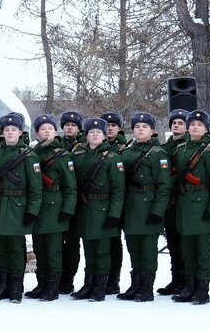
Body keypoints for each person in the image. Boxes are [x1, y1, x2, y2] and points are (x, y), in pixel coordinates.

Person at [0, 113, 42, 303]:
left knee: (16, 250)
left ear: (20, 132)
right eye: (7, 130)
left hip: (18, 208)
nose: (10, 133)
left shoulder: (29, 156)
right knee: (1, 249)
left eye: (13, 130)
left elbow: (36, 187)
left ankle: (16, 287)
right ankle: (2, 285)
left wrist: (32, 211)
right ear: (2, 132)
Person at [169, 110, 210, 305]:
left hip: (203, 208)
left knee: (203, 252)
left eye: (199, 125)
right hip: (185, 207)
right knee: (188, 251)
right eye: (192, 124)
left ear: (206, 128)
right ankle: (189, 287)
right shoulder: (181, 149)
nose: (195, 127)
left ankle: (202, 290)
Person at [115, 112, 171, 303]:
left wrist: (157, 211)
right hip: (130, 207)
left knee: (147, 250)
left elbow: (164, 187)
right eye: (137, 127)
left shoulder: (158, 154)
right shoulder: (126, 152)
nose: (140, 130)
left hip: (148, 207)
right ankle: (135, 285)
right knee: (133, 248)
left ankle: (146, 288)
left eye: (144, 127)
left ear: (153, 130)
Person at [68, 117, 125, 302]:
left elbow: (118, 191)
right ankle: (88, 284)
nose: (94, 135)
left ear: (103, 136)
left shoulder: (113, 158)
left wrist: (114, 215)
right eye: (91, 132)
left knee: (102, 251)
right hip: (84, 209)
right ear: (86, 135)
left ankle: (100, 286)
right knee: (88, 249)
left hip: (103, 210)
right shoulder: (78, 155)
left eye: (98, 132)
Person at [27, 114, 75, 301]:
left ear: (56, 132)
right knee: (39, 248)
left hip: (55, 208)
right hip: (37, 207)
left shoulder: (63, 155)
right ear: (37, 133)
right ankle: (42, 284)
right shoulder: (32, 154)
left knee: (54, 250)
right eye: (42, 129)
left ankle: (53, 287)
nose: (46, 132)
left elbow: (71, 186)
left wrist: (67, 210)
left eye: (50, 128)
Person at [158, 108, 190, 296]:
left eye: (181, 123)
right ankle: (175, 279)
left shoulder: (190, 146)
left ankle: (187, 281)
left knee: (185, 244)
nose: (176, 125)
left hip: (185, 201)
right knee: (172, 242)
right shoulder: (165, 147)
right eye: (174, 123)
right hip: (169, 201)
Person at [98, 110, 127, 295]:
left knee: (114, 242)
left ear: (120, 128)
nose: (109, 129)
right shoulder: (95, 145)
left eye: (113, 126)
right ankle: (102, 277)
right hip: (99, 202)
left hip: (120, 199)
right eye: (106, 126)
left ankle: (113, 279)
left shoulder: (125, 148)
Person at [57, 110, 84, 294]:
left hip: (78, 200)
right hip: (59, 201)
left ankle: (68, 280)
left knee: (73, 244)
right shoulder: (57, 146)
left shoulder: (83, 147)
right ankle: (56, 278)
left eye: (73, 125)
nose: (69, 127)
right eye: (67, 125)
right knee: (57, 244)